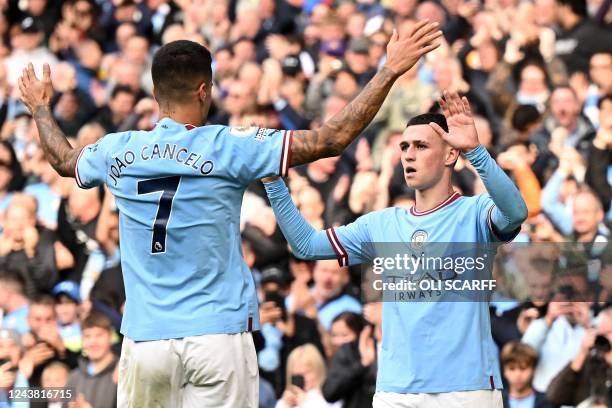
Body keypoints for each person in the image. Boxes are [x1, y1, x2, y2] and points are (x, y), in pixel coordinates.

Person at [17, 22, 443, 407]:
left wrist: (39, 107)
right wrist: (388, 71)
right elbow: (331, 140)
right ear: (204, 91)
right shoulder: (229, 145)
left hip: (145, 340)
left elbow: (62, 159)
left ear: (155, 94)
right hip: (216, 335)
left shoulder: (116, 150)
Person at [263, 92, 528, 407]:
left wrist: (477, 152)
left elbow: (516, 212)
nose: (408, 155)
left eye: (421, 146)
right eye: (404, 147)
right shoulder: (381, 224)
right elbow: (306, 245)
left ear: (450, 155)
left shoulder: (475, 213)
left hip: (465, 389)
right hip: (396, 390)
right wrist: (273, 182)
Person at [500, 341, 554, 408]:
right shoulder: (495, 401)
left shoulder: (548, 401)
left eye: (523, 368)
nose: (518, 374)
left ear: (533, 370)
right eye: (512, 368)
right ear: (504, 371)